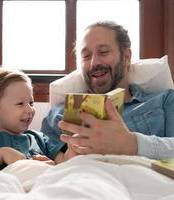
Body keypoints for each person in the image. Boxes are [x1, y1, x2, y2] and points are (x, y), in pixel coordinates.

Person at [41, 21, 174, 160]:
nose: (94, 63)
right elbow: (38, 162)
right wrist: (66, 159)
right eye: (86, 56)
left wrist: (132, 144)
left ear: (126, 57)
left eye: (103, 52)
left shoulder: (164, 101)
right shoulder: (57, 115)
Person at [0, 68, 75, 169]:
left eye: (31, 103)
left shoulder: (39, 139)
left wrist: (71, 148)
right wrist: (2, 154)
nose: (30, 109)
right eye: (20, 103)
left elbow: (64, 163)